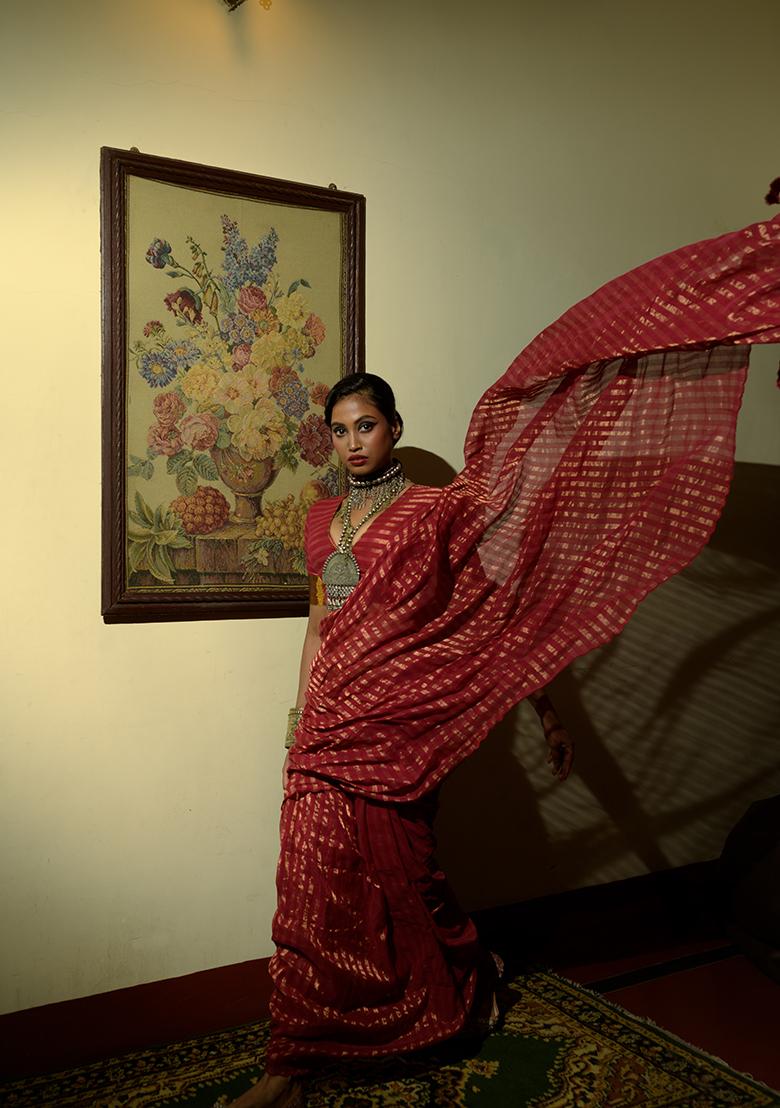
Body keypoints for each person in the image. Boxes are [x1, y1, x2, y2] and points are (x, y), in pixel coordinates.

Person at [225, 199, 780, 1107]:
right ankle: (299, 1048)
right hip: (331, 717)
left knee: (408, 870)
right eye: (338, 429)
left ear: (394, 428)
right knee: (313, 875)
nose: (352, 441)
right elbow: (319, 618)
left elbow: (501, 610)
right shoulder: (321, 517)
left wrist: (549, 708)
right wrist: (300, 714)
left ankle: (460, 989)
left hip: (407, 718)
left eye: (365, 425)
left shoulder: (438, 510)